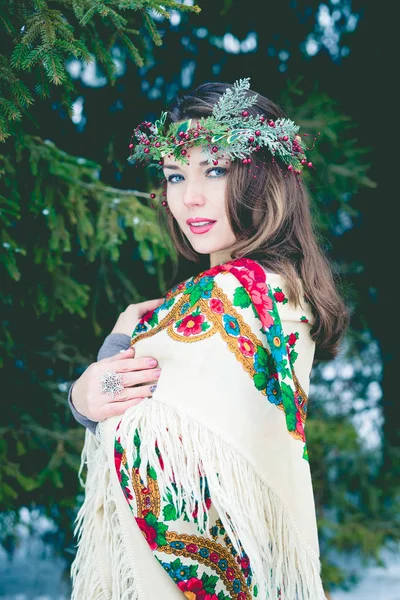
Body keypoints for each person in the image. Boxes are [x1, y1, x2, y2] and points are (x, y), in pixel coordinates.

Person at [70, 78, 349, 600]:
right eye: (175, 176)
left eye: (215, 170)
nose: (189, 197)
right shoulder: (283, 291)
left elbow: (153, 457)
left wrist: (94, 385)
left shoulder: (239, 294)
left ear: (262, 178)